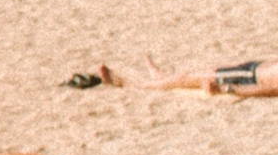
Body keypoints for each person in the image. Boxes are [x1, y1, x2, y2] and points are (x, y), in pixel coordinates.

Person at [74, 57, 278, 95]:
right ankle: (161, 79)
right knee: (188, 75)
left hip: (246, 78)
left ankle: (131, 84)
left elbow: (270, 90)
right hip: (250, 69)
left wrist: (228, 89)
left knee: (187, 77)